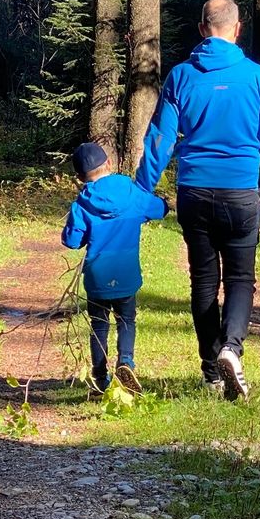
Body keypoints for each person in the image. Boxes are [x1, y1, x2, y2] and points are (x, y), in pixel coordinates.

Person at [136, 0, 260, 400]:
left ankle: (211, 372)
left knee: (203, 280)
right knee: (240, 278)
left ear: (202, 28)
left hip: (195, 193)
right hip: (240, 194)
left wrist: (141, 191)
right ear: (236, 29)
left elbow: (160, 140)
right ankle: (231, 349)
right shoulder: (258, 79)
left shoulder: (181, 77)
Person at [61, 141, 169, 396]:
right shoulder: (130, 193)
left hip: (98, 275)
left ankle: (100, 376)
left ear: (79, 177)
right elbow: (158, 209)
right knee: (126, 319)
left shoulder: (81, 204)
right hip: (126, 273)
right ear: (109, 163)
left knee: (99, 325)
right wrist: (166, 204)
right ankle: (126, 362)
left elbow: (72, 241)